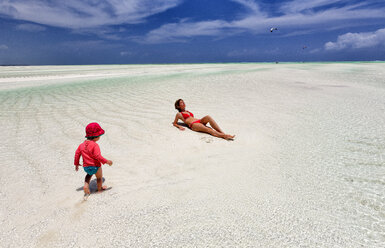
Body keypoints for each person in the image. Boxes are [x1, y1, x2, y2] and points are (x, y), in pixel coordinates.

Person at [74, 122, 113, 198]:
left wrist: (76, 164)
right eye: (99, 136)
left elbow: (77, 154)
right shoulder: (95, 145)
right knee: (99, 178)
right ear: (96, 136)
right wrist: (107, 161)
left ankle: (86, 185)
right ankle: (99, 189)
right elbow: (98, 156)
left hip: (86, 167)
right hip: (96, 166)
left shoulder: (81, 145)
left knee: (88, 175)